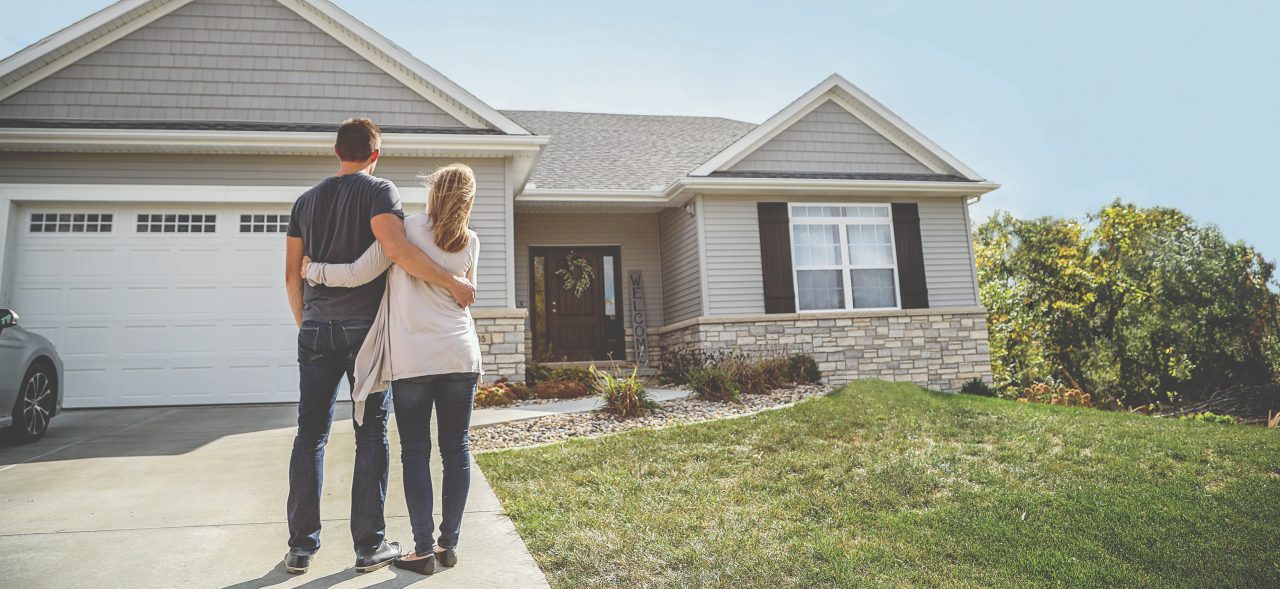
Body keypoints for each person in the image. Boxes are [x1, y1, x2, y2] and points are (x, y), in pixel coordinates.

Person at [282, 118, 476, 575]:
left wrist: (307, 323)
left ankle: (300, 548)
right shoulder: (380, 191)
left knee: (310, 435)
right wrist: (453, 282)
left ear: (336, 150)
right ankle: (369, 546)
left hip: (315, 329)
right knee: (370, 432)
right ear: (375, 154)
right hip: (365, 333)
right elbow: (395, 250)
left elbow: (292, 273)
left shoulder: (304, 201)